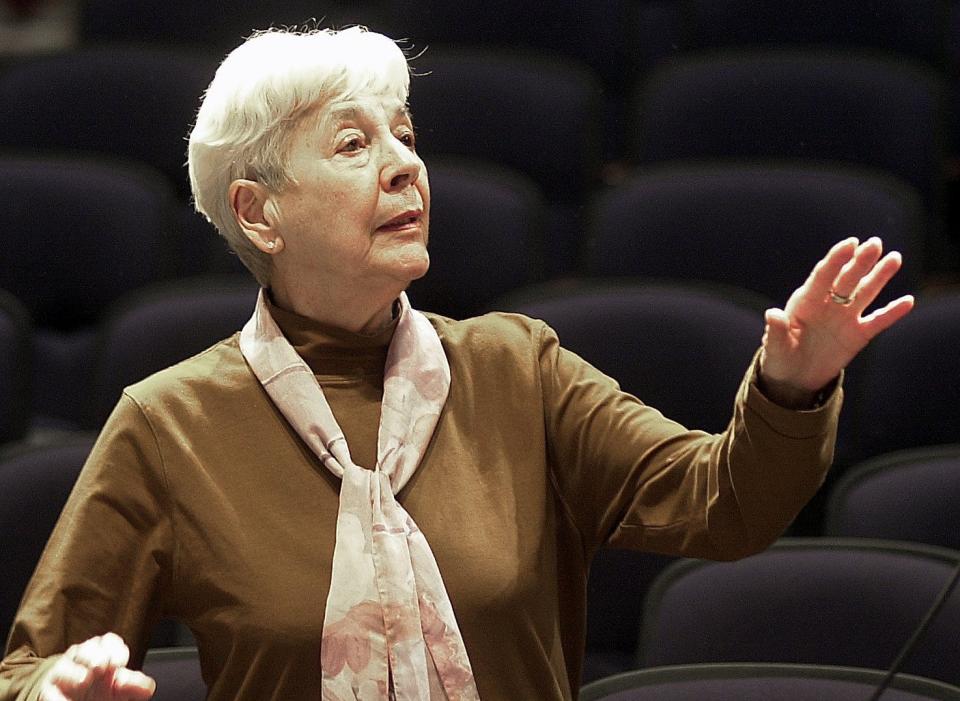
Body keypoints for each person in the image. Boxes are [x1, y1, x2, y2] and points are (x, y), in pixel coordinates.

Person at [0, 26, 914, 701]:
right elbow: (30, 665)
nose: (405, 165)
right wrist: (60, 690)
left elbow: (727, 505)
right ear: (259, 212)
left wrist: (794, 386)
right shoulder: (172, 424)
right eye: (355, 144)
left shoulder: (517, 371)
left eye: (405, 135)